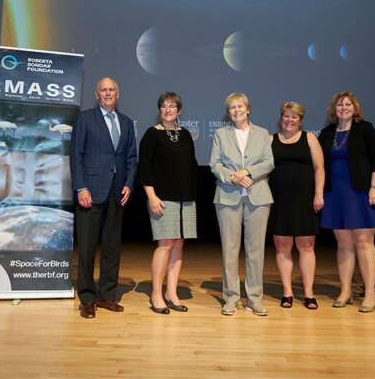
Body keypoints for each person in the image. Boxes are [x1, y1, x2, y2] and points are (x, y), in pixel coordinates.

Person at [317, 91, 375, 313]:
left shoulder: (365, 128)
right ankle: (346, 291)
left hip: (361, 193)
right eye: (340, 104)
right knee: (343, 244)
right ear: (334, 109)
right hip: (335, 194)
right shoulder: (327, 133)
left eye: (348, 104)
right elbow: (319, 164)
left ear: (355, 107)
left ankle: (370, 293)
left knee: (364, 242)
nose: (343, 108)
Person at [70, 77, 137, 319]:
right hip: (91, 192)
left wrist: (129, 184)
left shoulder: (127, 123)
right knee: (87, 248)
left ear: (117, 94)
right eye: (103, 90)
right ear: (97, 94)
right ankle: (87, 298)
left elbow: (131, 158)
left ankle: (107, 295)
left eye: (111, 90)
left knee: (112, 248)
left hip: (117, 193)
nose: (108, 93)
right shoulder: (86, 118)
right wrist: (80, 187)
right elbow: (76, 155)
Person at [210, 93, 274, 316]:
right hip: (228, 197)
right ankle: (231, 298)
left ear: (248, 109)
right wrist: (232, 177)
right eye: (231, 108)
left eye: (240, 106)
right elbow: (215, 164)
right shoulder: (220, 134)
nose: (236, 110)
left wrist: (247, 173)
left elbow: (269, 162)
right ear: (228, 113)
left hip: (258, 197)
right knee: (230, 250)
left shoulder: (263, 133)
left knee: (255, 251)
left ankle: (254, 299)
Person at [138, 92, 198, 314]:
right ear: (159, 110)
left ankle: (172, 292)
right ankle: (156, 294)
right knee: (165, 244)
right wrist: (151, 196)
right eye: (164, 106)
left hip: (186, 199)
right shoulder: (152, 134)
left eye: (172, 106)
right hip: (162, 199)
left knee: (179, 243)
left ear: (179, 110)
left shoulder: (185, 134)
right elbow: (144, 166)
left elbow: (191, 166)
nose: (168, 109)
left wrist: (192, 197)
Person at [268, 101, 325, 310]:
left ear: (300, 120)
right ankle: (287, 292)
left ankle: (309, 294)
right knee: (283, 246)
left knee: (306, 246)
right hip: (278, 201)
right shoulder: (270, 140)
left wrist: (319, 194)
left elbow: (319, 168)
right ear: (280, 118)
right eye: (286, 116)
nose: (289, 120)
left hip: (305, 200)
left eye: (294, 117)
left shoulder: (309, 138)